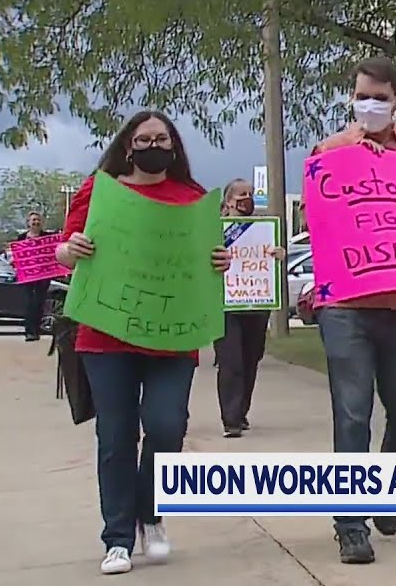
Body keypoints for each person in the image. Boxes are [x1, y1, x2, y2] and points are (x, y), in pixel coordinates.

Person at [55, 110, 231, 575]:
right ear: (128, 147)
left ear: (174, 146)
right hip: (106, 335)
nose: (154, 144)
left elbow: (206, 262)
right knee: (115, 436)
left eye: (163, 137)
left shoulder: (194, 199)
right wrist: (69, 251)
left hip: (173, 339)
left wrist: (219, 259)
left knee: (167, 426)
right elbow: (64, 248)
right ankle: (116, 537)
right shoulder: (101, 190)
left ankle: (151, 516)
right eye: (144, 138)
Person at [309, 56, 396, 564]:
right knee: (352, 412)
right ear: (352, 96)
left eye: (380, 98)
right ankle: (350, 524)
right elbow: (323, 225)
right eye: (362, 96)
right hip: (346, 306)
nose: (370, 105)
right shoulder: (331, 152)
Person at [216, 178, 285, 437]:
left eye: (250, 193)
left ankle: (241, 411)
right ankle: (230, 419)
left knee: (250, 360)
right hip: (226, 306)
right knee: (231, 361)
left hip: (256, 304)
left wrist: (278, 256)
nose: (247, 198)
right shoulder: (216, 231)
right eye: (241, 194)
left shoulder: (263, 228)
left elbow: (269, 262)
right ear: (229, 201)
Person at [9, 210, 58, 342]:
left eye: (38, 220)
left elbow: (54, 253)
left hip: (43, 275)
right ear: (28, 223)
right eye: (33, 220)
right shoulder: (21, 238)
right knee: (29, 302)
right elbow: (17, 256)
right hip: (27, 276)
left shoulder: (47, 237)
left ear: (41, 223)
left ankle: (37, 330)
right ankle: (29, 331)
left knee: (39, 302)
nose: (36, 222)